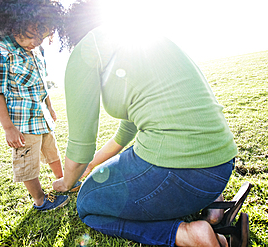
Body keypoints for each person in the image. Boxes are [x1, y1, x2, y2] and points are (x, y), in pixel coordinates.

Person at [53, 0, 248, 246]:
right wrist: (93, 165)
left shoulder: (86, 49)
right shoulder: (144, 40)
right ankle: (213, 205)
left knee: (87, 203)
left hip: (183, 174)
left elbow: (79, 151)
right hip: (221, 166)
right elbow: (125, 133)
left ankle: (188, 235)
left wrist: (66, 182)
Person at [0, 0, 80, 211]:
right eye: (32, 36)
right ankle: (40, 200)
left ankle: (65, 181)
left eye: (42, 37)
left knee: (52, 152)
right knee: (27, 164)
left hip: (41, 116)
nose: (36, 42)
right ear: (15, 23)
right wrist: (8, 128)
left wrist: (49, 106)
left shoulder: (36, 50)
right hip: (21, 123)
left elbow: (42, 82)